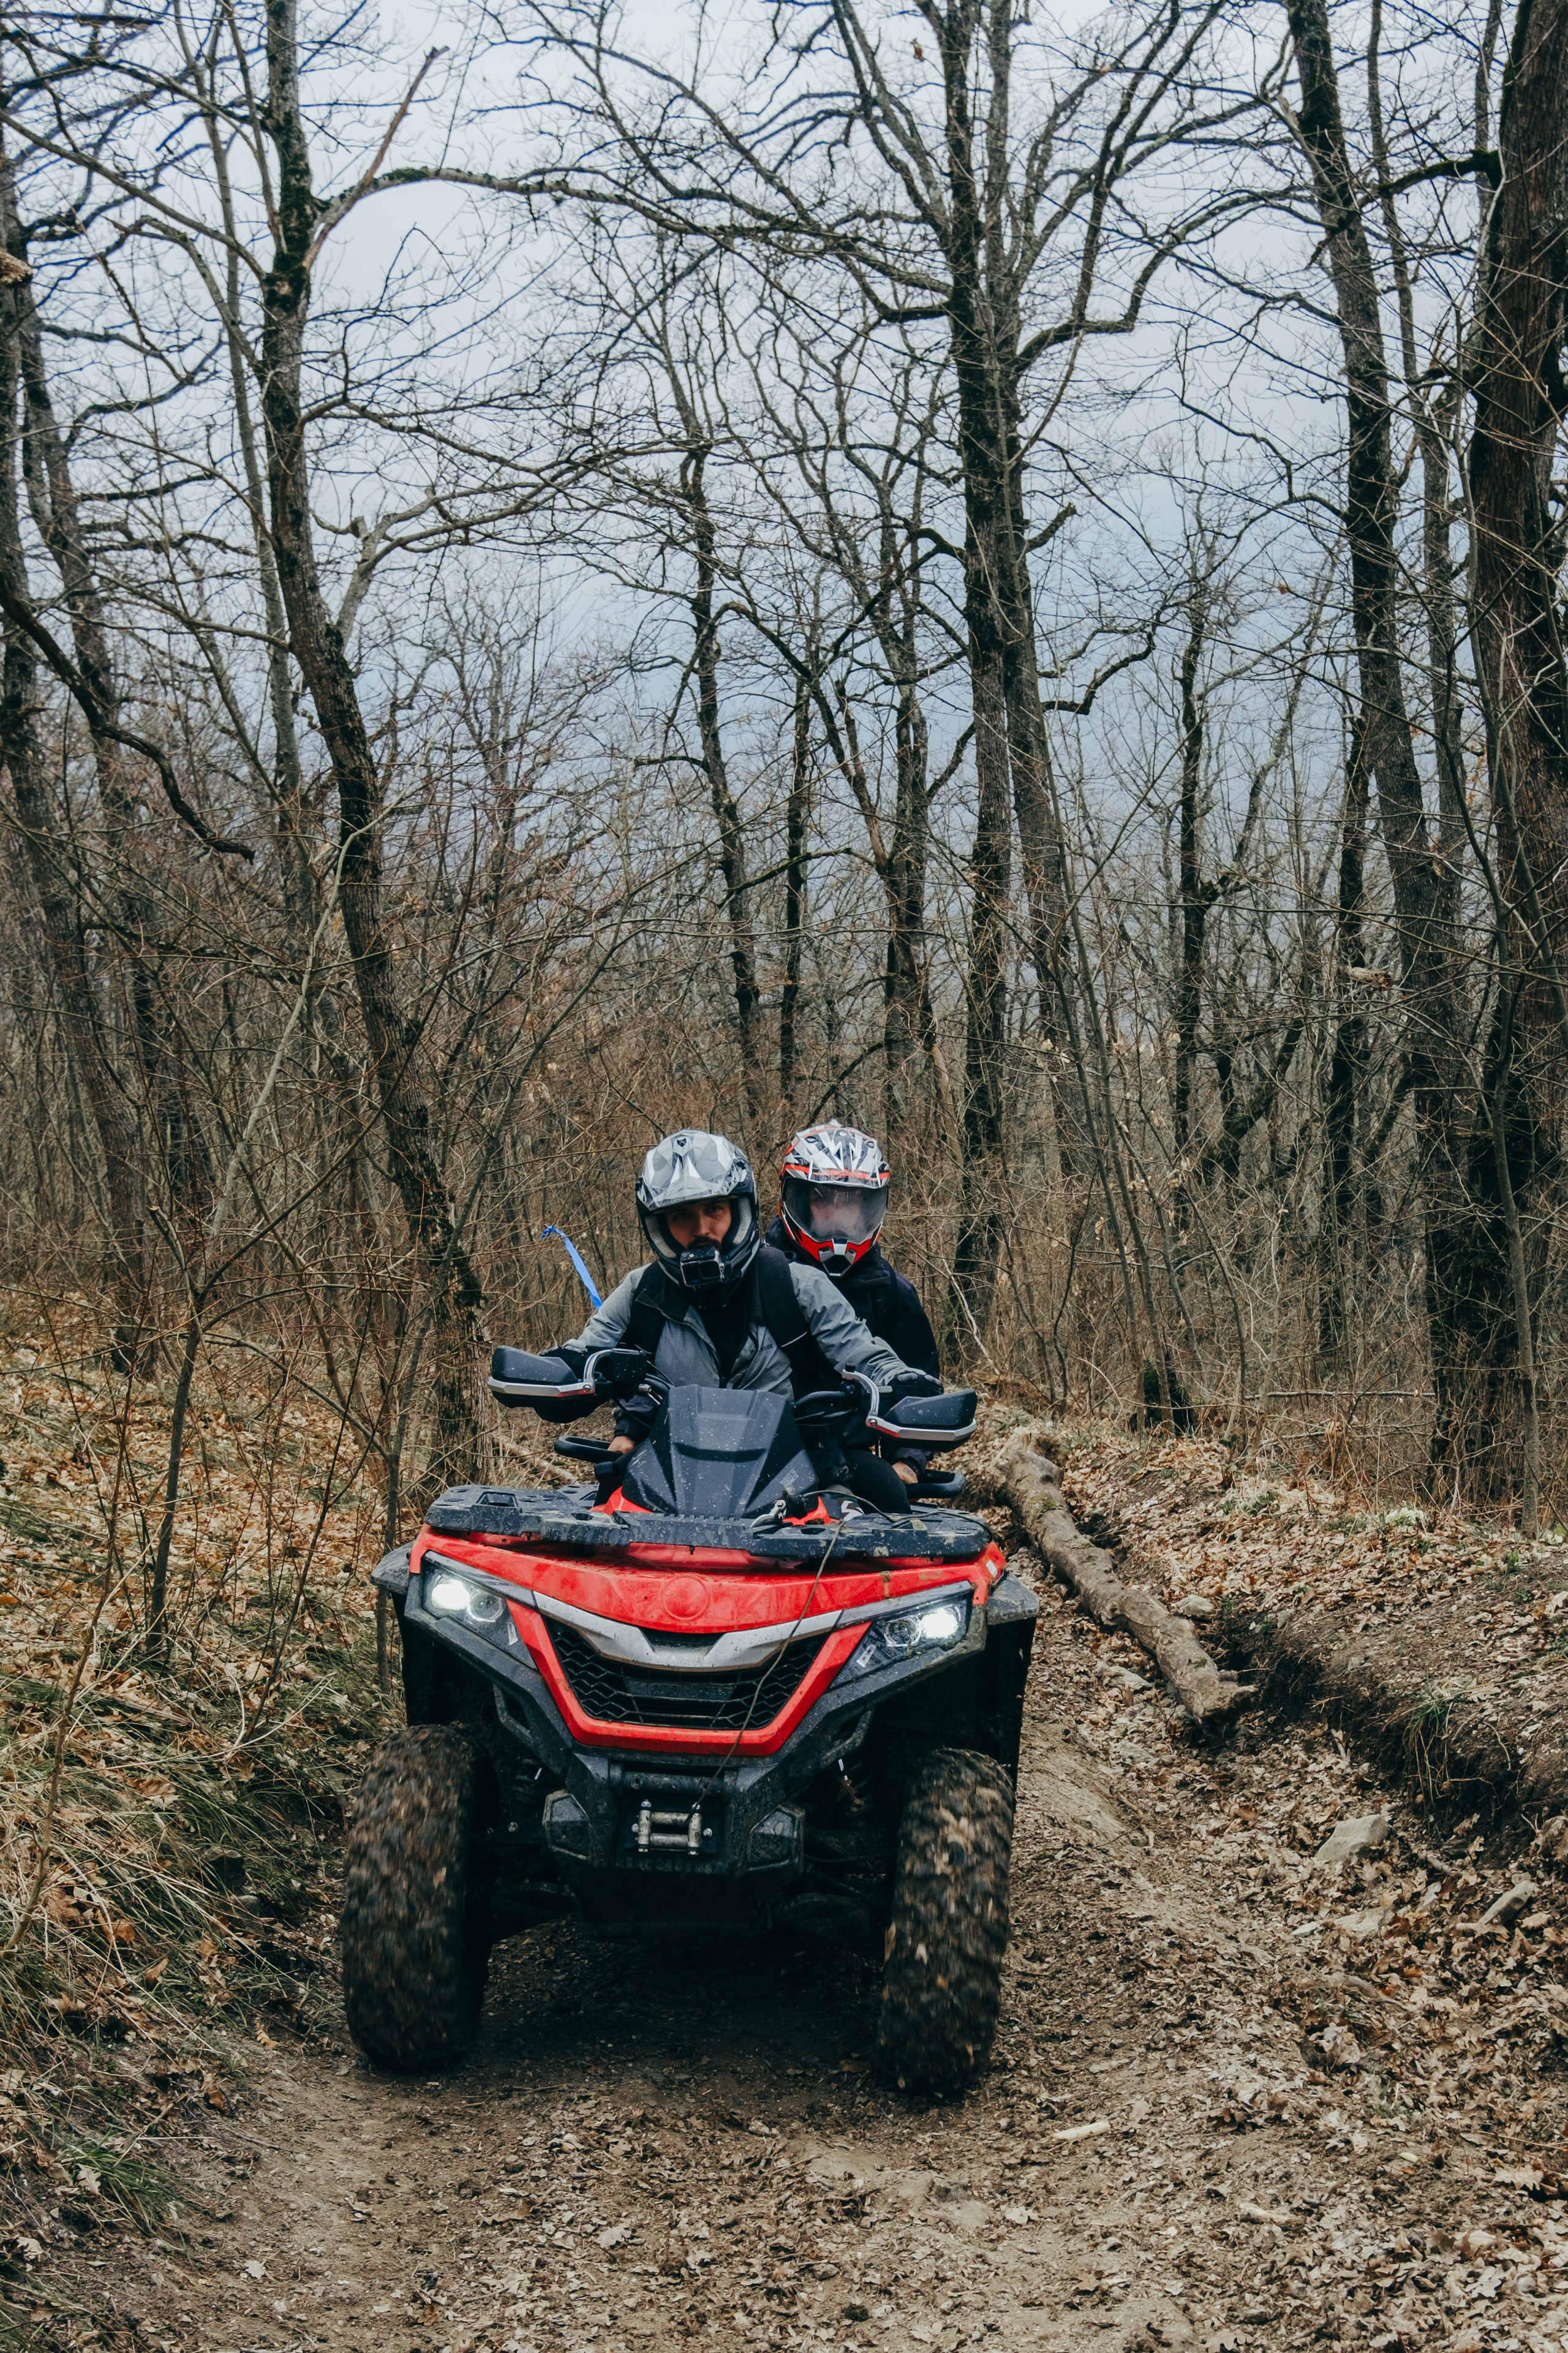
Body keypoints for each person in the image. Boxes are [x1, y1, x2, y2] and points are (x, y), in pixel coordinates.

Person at [555, 1128, 940, 1513]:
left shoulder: (797, 1283)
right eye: (681, 1215)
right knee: (598, 1507)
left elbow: (863, 1351)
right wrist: (554, 1374)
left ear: (740, 1210)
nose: (702, 1229)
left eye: (715, 1210)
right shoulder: (641, 1290)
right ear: (660, 1226)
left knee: (888, 1499)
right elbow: (583, 1354)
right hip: (665, 1470)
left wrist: (899, 1382)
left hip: (800, 1470)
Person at [766, 1120, 940, 1490]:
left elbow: (919, 1382)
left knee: (890, 1497)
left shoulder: (889, 1292)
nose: (839, 1217)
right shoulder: (755, 1273)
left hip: (846, 1459)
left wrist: (907, 1460)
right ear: (796, 1199)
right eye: (823, 1199)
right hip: (753, 1451)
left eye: (852, 1202)